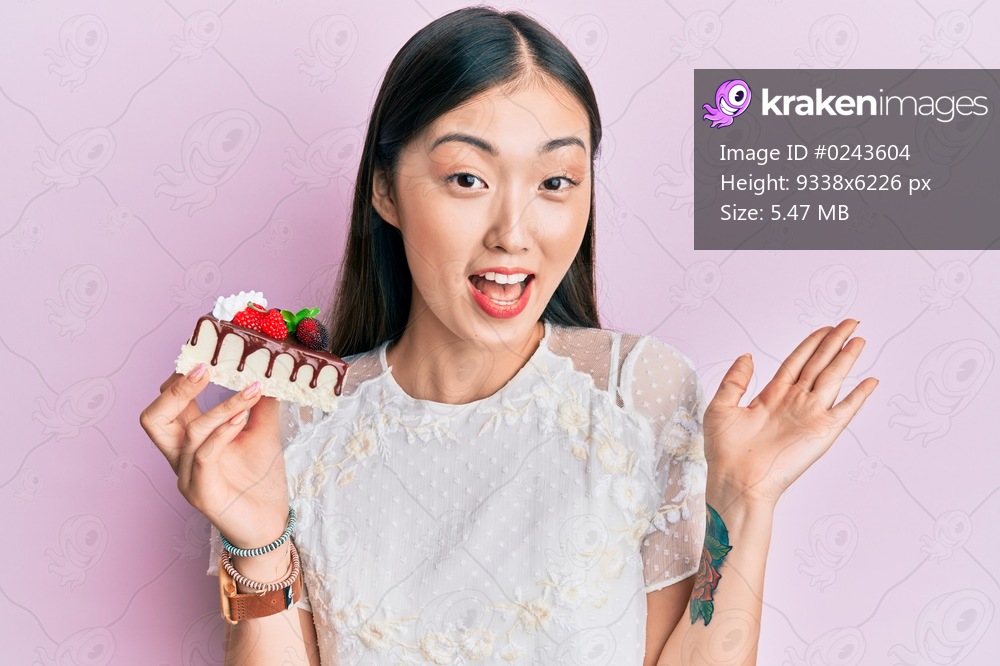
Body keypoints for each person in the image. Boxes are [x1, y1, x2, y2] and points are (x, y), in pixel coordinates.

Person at [140, 6, 878, 665]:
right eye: (468, 179)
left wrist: (744, 499)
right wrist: (254, 542)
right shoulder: (293, 422)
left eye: (556, 181)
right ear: (386, 189)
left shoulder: (639, 393)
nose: (514, 233)